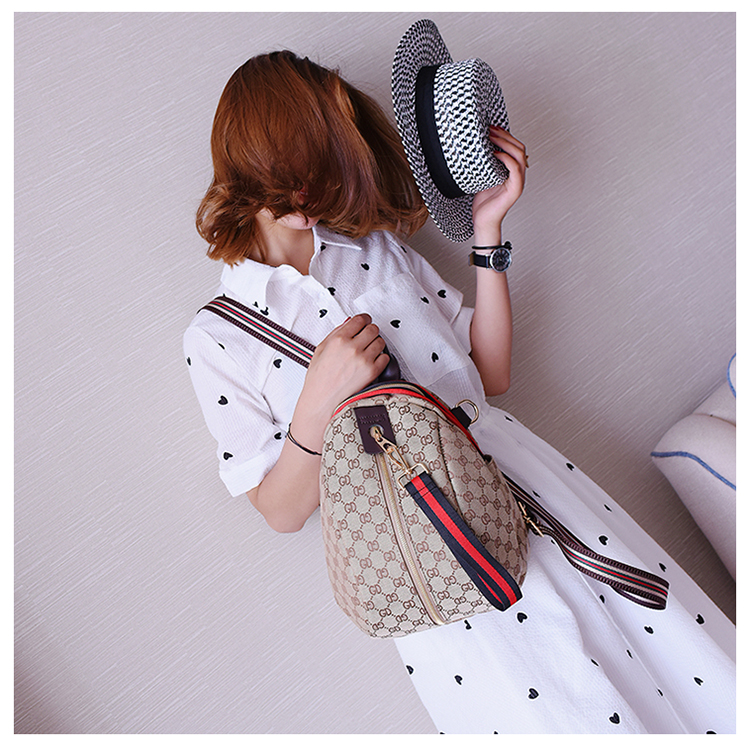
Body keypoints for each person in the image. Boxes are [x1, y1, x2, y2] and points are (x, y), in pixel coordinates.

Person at [184, 50, 735, 734]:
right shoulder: (219, 336)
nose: (307, 195)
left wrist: (487, 232)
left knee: (666, 670)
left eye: (323, 171)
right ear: (244, 165)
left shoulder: (377, 251)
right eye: (290, 174)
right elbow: (280, 511)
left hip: (524, 482)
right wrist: (317, 405)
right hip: (429, 553)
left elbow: (490, 375)